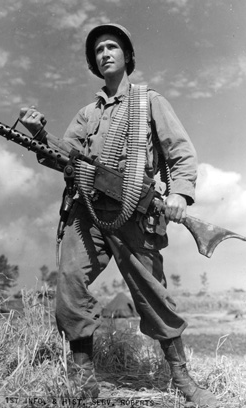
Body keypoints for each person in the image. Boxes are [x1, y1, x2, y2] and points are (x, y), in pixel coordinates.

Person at [19, 24, 218, 407]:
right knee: (70, 287)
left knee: (153, 295)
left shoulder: (149, 101)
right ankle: (83, 379)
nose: (105, 53)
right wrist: (39, 137)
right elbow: (65, 158)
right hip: (88, 211)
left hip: (134, 211)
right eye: (98, 50)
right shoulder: (86, 113)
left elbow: (180, 152)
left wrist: (179, 193)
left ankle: (182, 379)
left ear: (127, 56)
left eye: (112, 47)